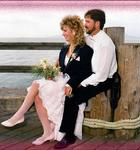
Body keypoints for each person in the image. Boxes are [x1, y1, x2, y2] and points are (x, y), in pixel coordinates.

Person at [1, 15, 93, 145]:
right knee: (37, 95)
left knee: (36, 84)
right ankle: (46, 133)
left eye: (65, 30)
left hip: (69, 85)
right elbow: (59, 67)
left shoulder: (85, 50)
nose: (63, 34)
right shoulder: (64, 48)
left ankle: (19, 115)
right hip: (59, 81)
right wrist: (51, 73)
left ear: (74, 30)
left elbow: (86, 73)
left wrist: (71, 84)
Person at [54, 9, 118, 149]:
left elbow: (101, 75)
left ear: (97, 23)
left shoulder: (105, 44)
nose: (85, 24)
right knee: (69, 89)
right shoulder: (90, 37)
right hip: (90, 75)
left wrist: (79, 84)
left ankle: (69, 136)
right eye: (84, 21)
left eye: (88, 21)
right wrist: (59, 60)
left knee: (72, 97)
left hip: (103, 80)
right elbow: (75, 44)